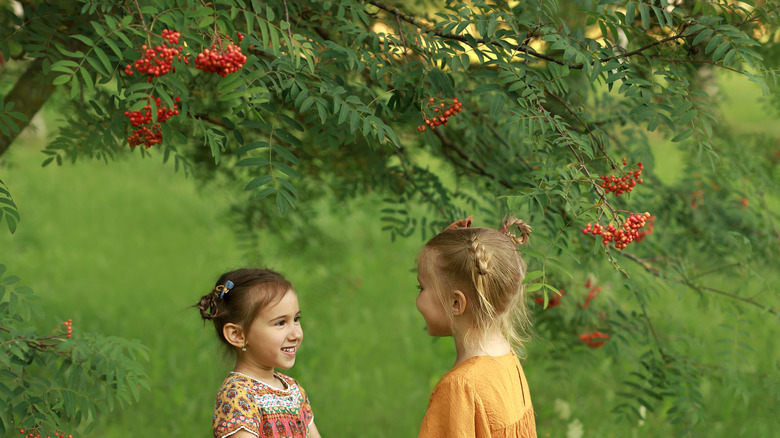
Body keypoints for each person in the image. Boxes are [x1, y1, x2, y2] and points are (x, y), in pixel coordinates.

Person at [415, 216, 537, 438]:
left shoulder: (460, 388)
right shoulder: (508, 362)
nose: (418, 300)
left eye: (421, 287)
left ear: (456, 303)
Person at [196, 268, 322, 438]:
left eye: (296, 319)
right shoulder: (238, 396)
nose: (296, 334)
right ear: (238, 335)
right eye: (280, 323)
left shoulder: (293, 389)